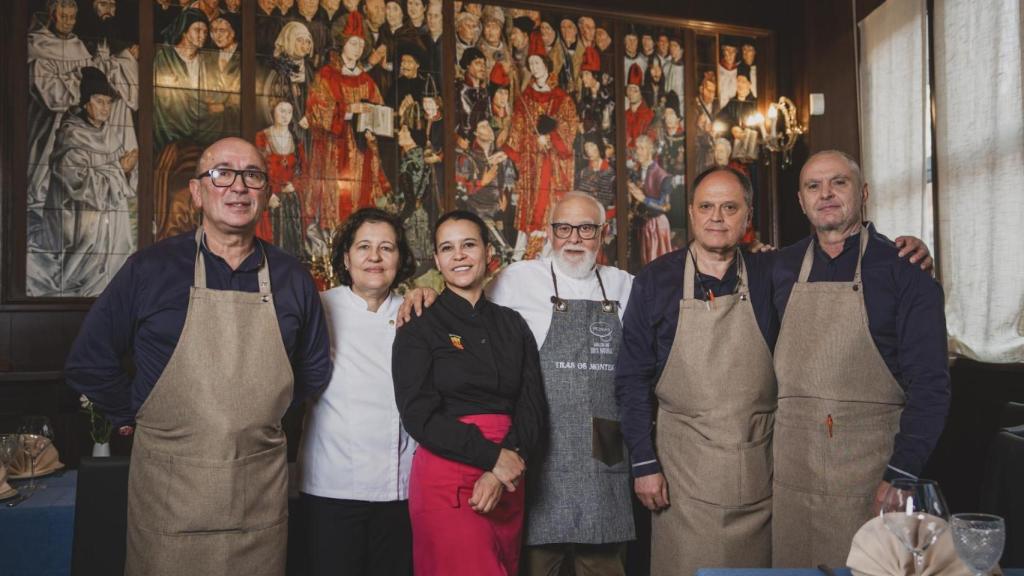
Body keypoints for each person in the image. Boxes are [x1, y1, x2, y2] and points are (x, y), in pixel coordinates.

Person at [64, 136, 332, 576]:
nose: (239, 187)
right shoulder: (150, 269)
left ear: (266, 192)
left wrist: (259, 414)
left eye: (253, 176)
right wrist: (138, 413)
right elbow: (88, 361)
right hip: (170, 495)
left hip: (258, 494)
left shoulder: (292, 277)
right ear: (196, 190)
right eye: (222, 174)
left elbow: (315, 367)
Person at [771, 150, 949, 567]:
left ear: (863, 192)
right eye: (814, 186)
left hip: (873, 477)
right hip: (793, 478)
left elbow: (931, 386)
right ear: (801, 200)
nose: (826, 194)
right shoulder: (778, 268)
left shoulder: (905, 270)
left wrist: (902, 474)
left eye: (839, 182)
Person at [616, 167, 778, 576]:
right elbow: (631, 379)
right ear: (690, 213)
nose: (716, 217)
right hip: (680, 476)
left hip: (761, 470)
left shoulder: (772, 274)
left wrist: (903, 249)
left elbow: (835, 243)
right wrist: (643, 464)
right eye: (706, 206)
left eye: (729, 207)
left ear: (747, 215)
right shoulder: (655, 281)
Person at [392, 210, 547, 576]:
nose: (458, 255)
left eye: (468, 245)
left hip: (509, 473)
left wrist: (502, 467)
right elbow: (417, 414)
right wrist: (491, 457)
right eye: (447, 248)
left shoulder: (513, 324)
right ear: (438, 261)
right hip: (447, 474)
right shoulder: (419, 322)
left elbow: (532, 405)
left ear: (488, 251)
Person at [299, 208, 418, 576]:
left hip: (399, 489)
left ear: (400, 258)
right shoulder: (318, 307)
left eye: (387, 248)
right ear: (346, 257)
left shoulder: (418, 311)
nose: (375, 257)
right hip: (331, 484)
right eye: (364, 246)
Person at [32, 67, 138, 298]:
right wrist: (119, 169)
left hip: (108, 215)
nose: (105, 108)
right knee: (87, 249)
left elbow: (119, 179)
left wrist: (126, 171)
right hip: (78, 216)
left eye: (108, 103)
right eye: (99, 101)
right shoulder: (72, 135)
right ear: (85, 103)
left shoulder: (109, 134)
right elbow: (76, 184)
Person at [628, 135, 674, 266]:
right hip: (638, 225)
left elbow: (665, 206)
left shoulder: (662, 176)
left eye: (642, 148)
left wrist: (644, 199)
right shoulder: (633, 173)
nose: (638, 152)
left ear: (650, 151)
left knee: (655, 267)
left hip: (655, 226)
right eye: (637, 149)